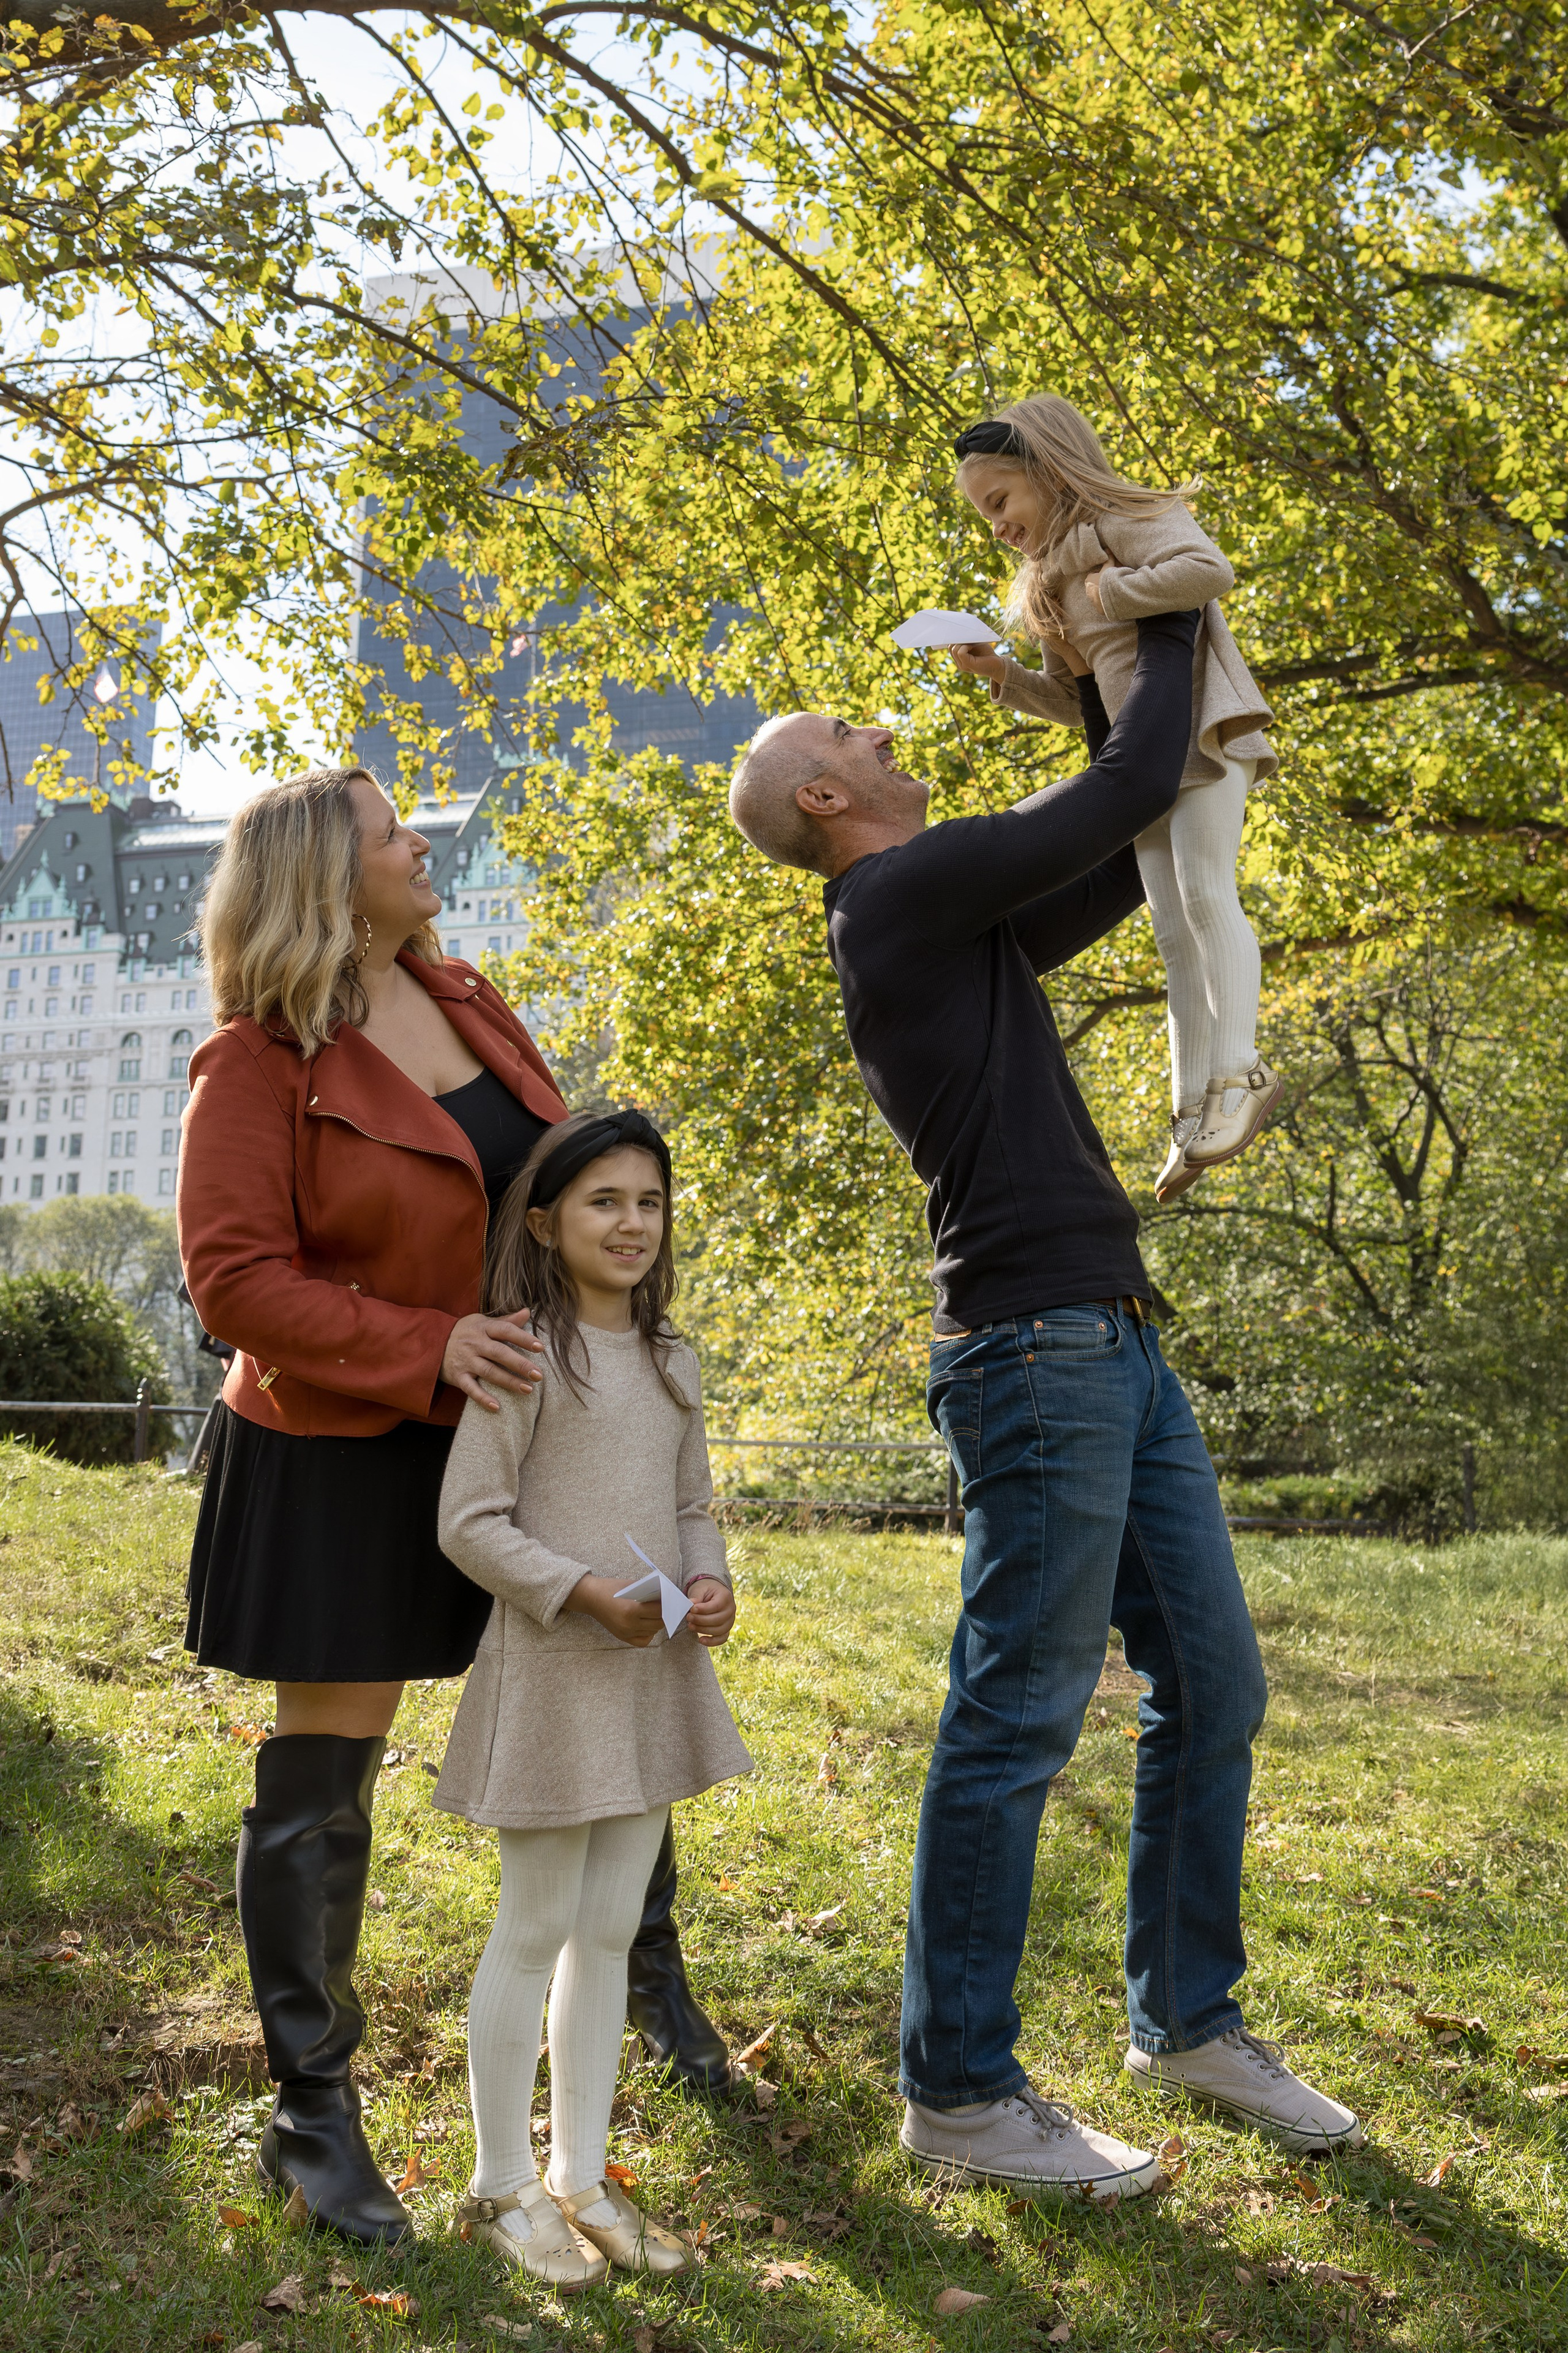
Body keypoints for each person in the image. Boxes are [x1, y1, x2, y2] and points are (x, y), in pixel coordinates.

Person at [726, 613, 1363, 2197]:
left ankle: (1189, 2018)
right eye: (855, 733)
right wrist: (1152, 596)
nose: (887, 732)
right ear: (823, 801)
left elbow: (1129, 810)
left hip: (1109, 1337)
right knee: (1015, 1717)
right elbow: (1134, 771)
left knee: (1213, 1683)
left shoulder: (951, 917)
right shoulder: (895, 896)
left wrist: (1085, 680)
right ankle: (958, 2089)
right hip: (1031, 1352)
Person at [179, 765, 568, 2245]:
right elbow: (233, 1282)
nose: (421, 842)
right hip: (342, 1443)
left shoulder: (467, 997)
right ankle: (309, 2113)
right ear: (329, 885)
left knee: (599, 1692)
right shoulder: (255, 1061)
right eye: (393, 833)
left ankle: (645, 2003)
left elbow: (541, 1171)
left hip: (512, 1427)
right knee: (324, 1787)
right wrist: (426, 1348)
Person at [433, 1111, 750, 2282]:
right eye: (604, 1200)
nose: (630, 1222)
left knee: (613, 1926)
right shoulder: (521, 1352)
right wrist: (577, 1591)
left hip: (650, 1670)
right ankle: (500, 2183)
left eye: (649, 1202)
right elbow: (468, 1523)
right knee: (537, 1921)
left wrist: (707, 1576)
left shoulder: (673, 1359)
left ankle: (579, 2171)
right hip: (560, 1668)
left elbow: (690, 1503)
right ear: (546, 1220)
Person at [949, 396, 1279, 1203]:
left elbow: (1207, 573)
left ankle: (1241, 1073)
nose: (995, 525)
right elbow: (1078, 699)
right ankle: (1193, 1109)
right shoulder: (1046, 584)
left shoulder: (1123, 523)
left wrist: (1112, 590)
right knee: (1171, 930)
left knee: (1205, 895)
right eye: (983, 514)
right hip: (1139, 761)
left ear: (1049, 470)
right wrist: (1004, 677)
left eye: (1001, 502)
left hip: (1197, 733)